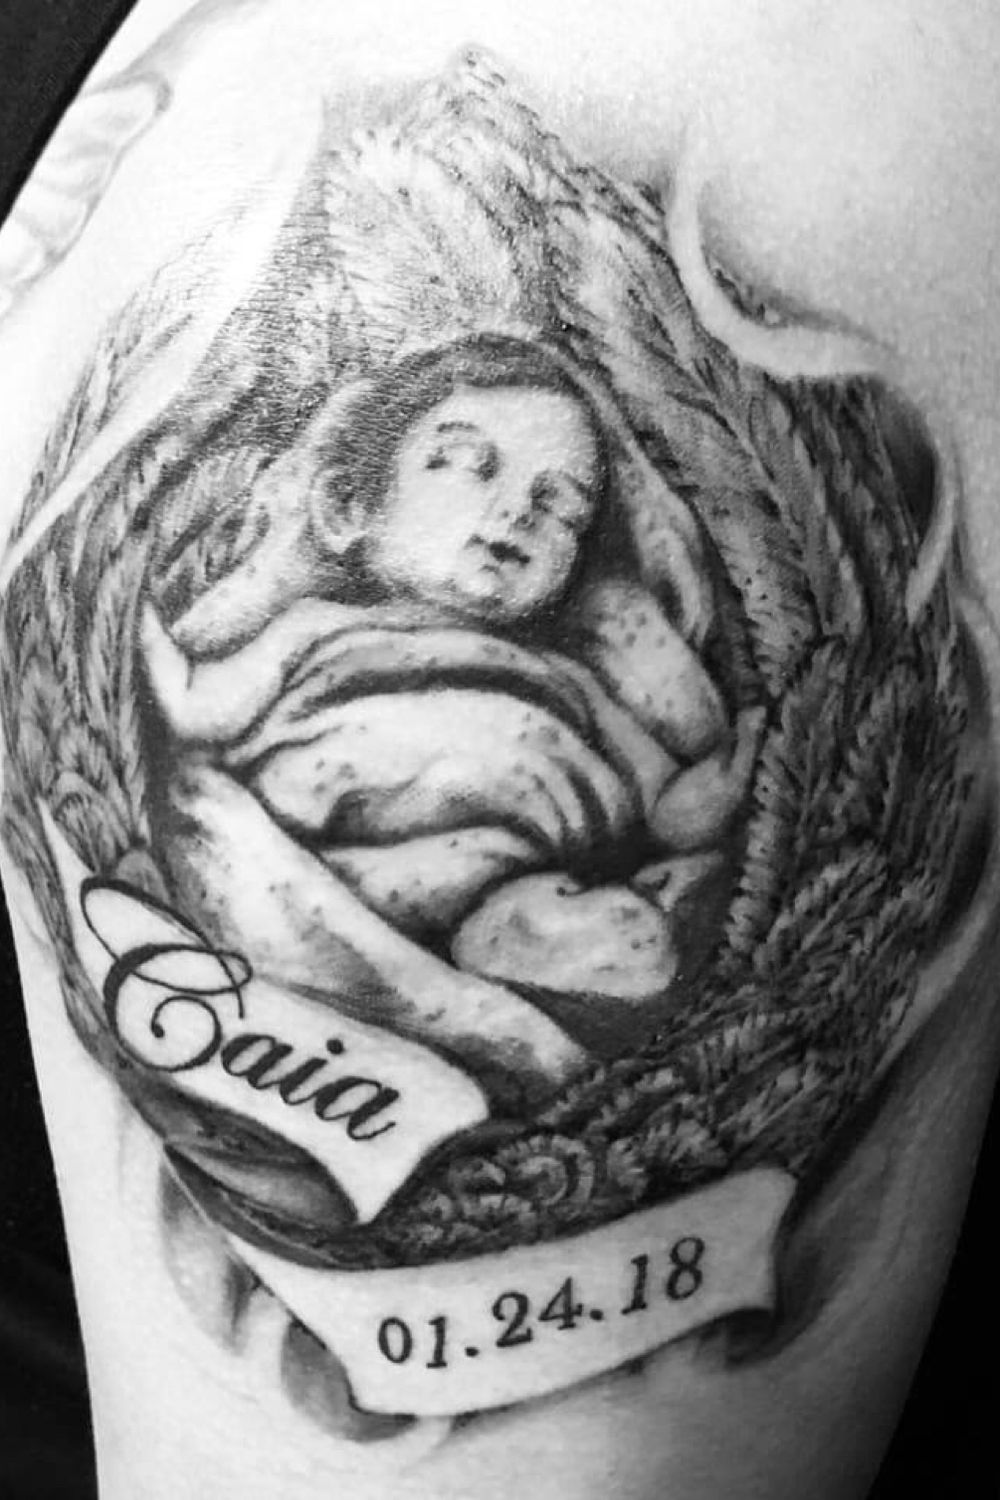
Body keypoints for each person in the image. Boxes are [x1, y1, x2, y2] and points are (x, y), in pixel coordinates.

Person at [2, 4, 1000, 1500]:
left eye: (564, 502)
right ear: (349, 501)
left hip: (523, 875)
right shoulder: (308, 628)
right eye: (463, 465)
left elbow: (683, 787)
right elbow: (204, 712)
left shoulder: (718, 64)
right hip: (361, 883)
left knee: (576, 934)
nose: (519, 514)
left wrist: (692, 773)